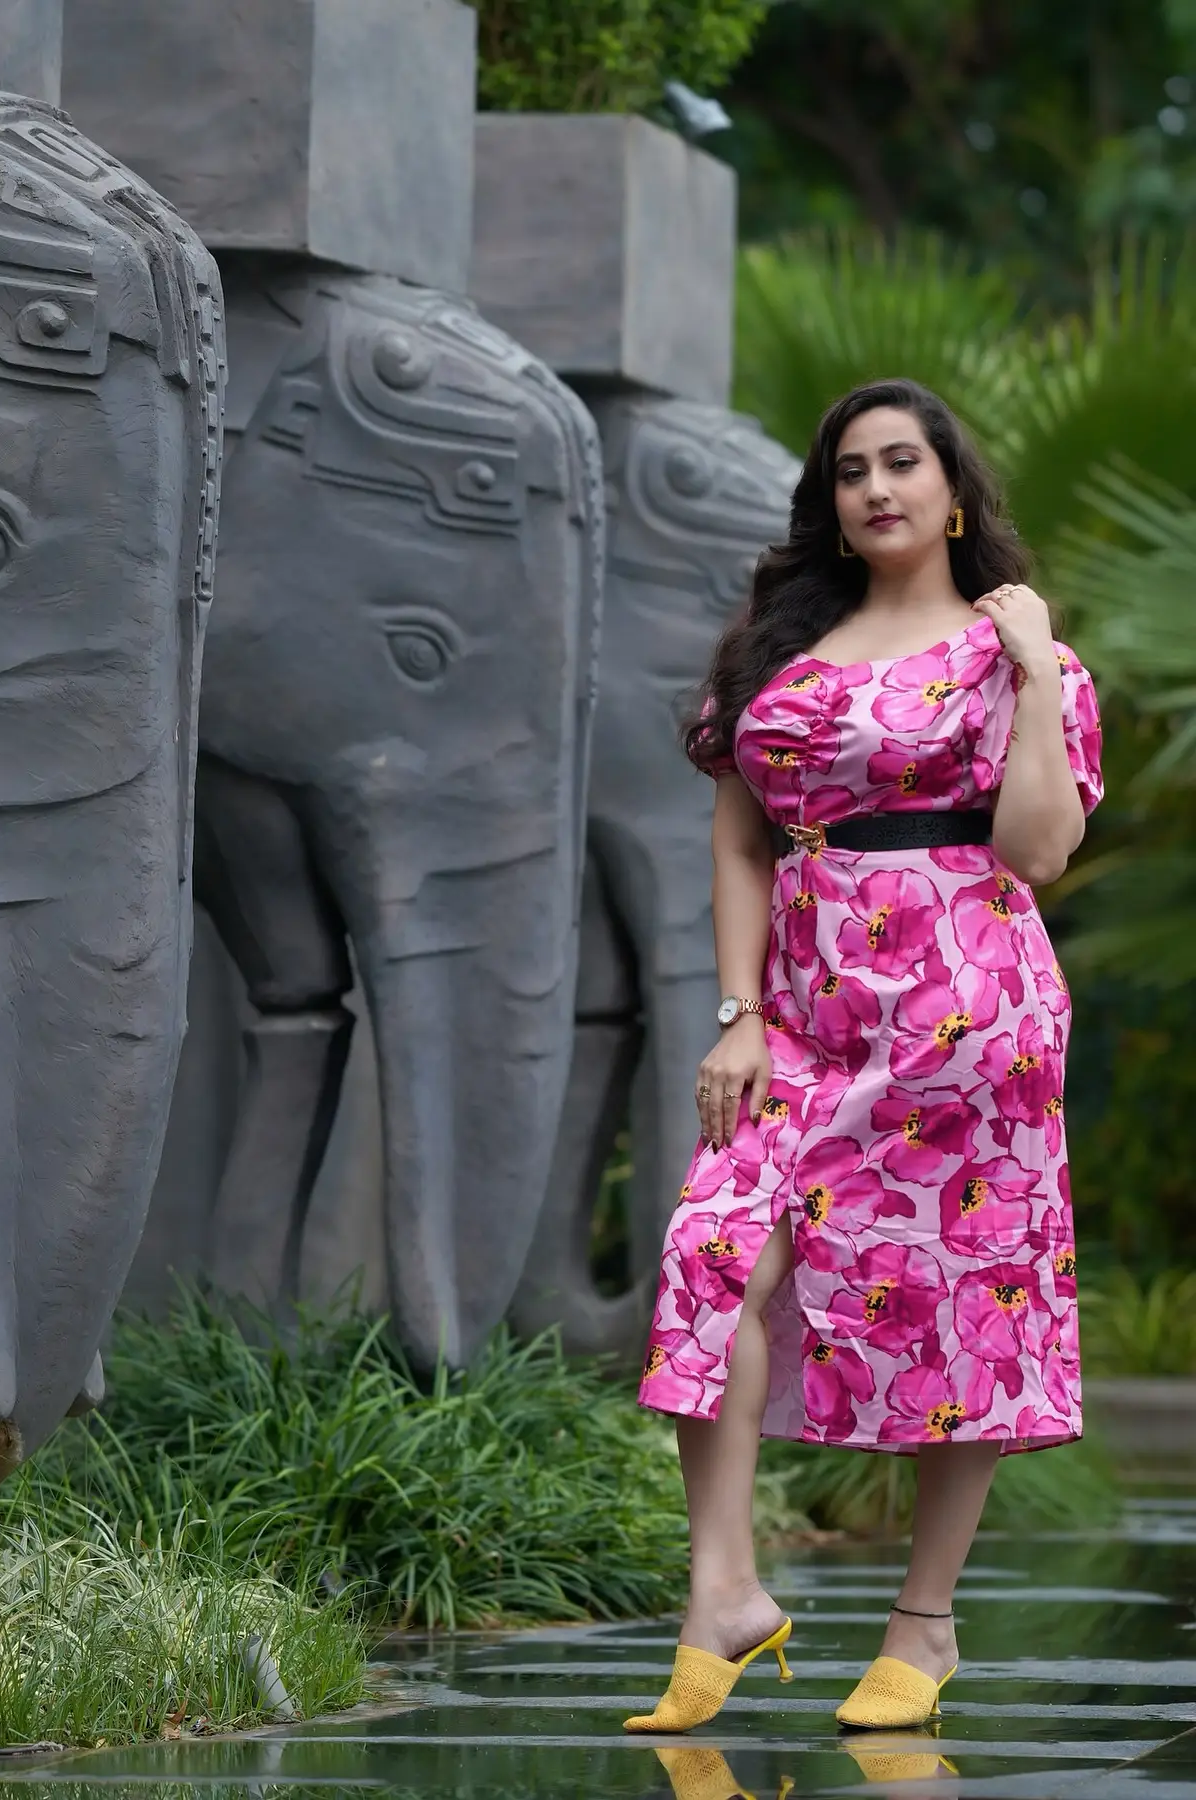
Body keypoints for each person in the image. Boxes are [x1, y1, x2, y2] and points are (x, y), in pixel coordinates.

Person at [624, 378, 1103, 1736]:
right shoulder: (777, 654)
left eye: (904, 463)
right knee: (713, 1247)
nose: (877, 487)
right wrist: (741, 1012)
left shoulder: (1021, 657)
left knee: (974, 1298)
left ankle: (924, 1623)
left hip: (972, 1009)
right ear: (828, 503)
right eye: (851, 470)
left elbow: (1035, 851)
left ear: (955, 491)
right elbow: (738, 842)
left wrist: (1028, 663)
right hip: (808, 1012)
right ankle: (722, 1591)